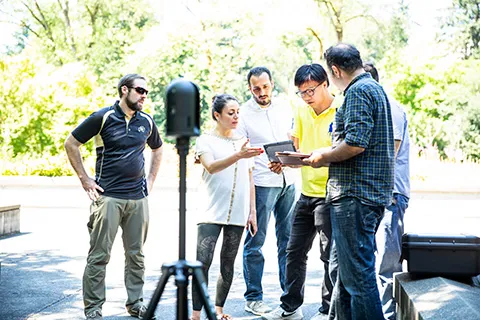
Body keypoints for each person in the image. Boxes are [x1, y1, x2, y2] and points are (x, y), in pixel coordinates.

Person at [304, 43, 395, 320]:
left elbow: (355, 144)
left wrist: (322, 156)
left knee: (359, 279)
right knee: (346, 275)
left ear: (334, 70)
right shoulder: (375, 89)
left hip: (355, 195)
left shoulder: (357, 92)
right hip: (366, 194)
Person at [64, 74, 163, 320]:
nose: (144, 95)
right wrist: (85, 179)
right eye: (140, 90)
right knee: (99, 256)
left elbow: (158, 148)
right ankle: (94, 309)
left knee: (136, 255)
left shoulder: (147, 121)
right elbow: (71, 144)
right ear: (124, 90)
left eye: (146, 92)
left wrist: (150, 180)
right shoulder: (103, 117)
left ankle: (136, 303)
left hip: (138, 199)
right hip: (107, 197)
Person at [262, 64, 335, 320]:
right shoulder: (302, 111)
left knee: (328, 256)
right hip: (305, 193)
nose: (306, 96)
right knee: (293, 252)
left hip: (330, 195)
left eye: (310, 91)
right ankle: (290, 307)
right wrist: (281, 160)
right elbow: (295, 146)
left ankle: (327, 310)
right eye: (301, 92)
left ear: (326, 84)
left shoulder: (341, 110)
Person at [191, 94, 263, 320]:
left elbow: (250, 177)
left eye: (237, 112)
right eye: (230, 113)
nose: (236, 117)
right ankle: (195, 314)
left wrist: (252, 211)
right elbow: (211, 167)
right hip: (211, 210)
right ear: (217, 115)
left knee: (228, 263)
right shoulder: (205, 140)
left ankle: (218, 310)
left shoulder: (243, 141)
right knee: (203, 262)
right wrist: (238, 155)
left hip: (238, 212)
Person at [237, 66, 297, 316]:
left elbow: (295, 140)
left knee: (289, 243)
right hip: (262, 183)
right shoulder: (243, 114)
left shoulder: (285, 107)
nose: (262, 92)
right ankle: (254, 297)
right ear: (250, 88)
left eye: (265, 86)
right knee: (256, 242)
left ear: (272, 83)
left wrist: (288, 158)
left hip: (289, 181)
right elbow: (242, 152)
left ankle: (289, 297)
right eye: (256, 88)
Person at [364, 62, 411, 320]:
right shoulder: (372, 109)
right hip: (373, 195)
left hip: (390, 195)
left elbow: (388, 156)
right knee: (370, 262)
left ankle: (388, 316)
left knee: (387, 264)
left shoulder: (390, 109)